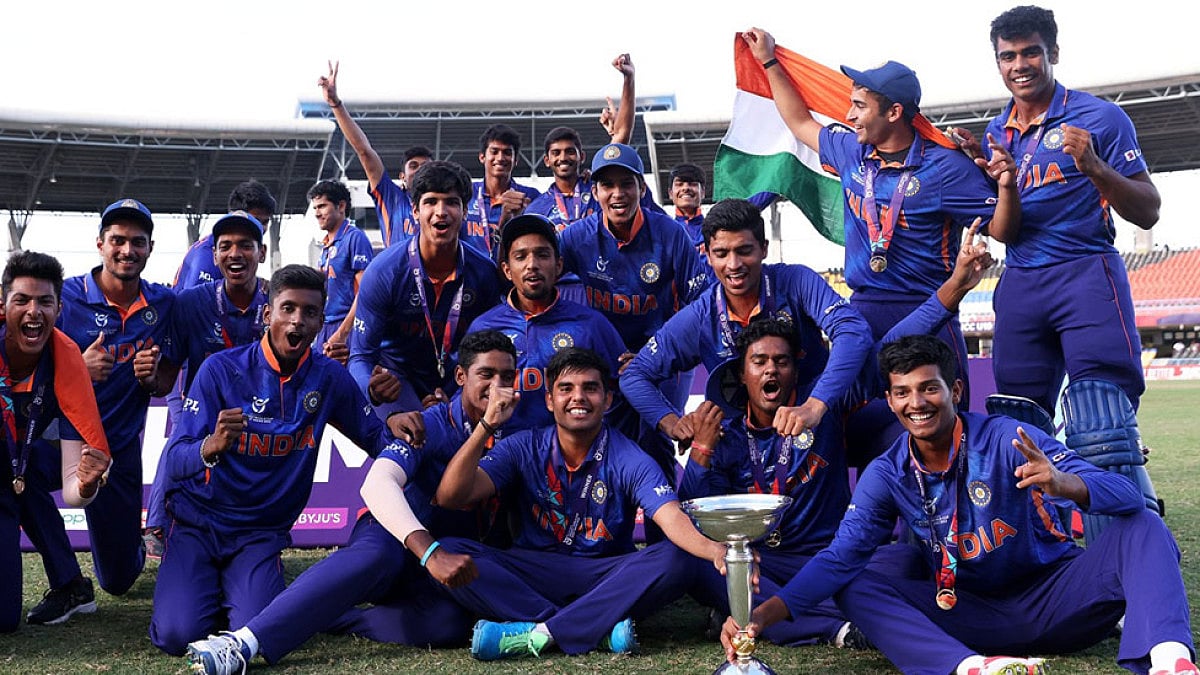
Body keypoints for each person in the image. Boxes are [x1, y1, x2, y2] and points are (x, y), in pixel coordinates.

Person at [723, 334, 1197, 675]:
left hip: (1055, 599)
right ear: (889, 401)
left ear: (955, 390)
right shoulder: (886, 473)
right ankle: (967, 668)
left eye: (929, 387)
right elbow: (839, 558)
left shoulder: (1011, 439)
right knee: (855, 583)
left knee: (1145, 528)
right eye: (903, 392)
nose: (917, 403)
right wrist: (763, 615)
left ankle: (1169, 660)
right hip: (967, 614)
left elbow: (1129, 496)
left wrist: (1065, 483)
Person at [682, 225, 993, 649]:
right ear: (742, 372)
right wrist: (700, 451)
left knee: (904, 559)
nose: (771, 370)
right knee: (706, 566)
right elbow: (700, 512)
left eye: (782, 361)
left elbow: (892, 343)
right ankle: (836, 625)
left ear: (798, 368)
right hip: (761, 561)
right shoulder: (723, 430)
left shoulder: (823, 406)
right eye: (759, 362)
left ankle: (756, 613)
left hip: (824, 557)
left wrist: (955, 286)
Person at [182, 330, 519, 674]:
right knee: (376, 553)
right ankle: (242, 644)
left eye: (507, 376)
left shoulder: (521, 431)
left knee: (447, 626)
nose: (497, 386)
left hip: (447, 560)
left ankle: (331, 616)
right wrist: (430, 552)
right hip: (397, 541)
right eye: (486, 375)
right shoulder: (429, 423)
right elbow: (377, 484)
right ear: (461, 377)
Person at [950, 6, 1162, 539]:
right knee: (1017, 425)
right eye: (1008, 56)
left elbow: (1148, 210)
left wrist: (1094, 167)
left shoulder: (1099, 118)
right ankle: (1043, 557)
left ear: (1053, 53)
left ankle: (1128, 564)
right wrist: (1002, 182)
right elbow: (1005, 232)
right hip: (1021, 281)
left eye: (1029, 53)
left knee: (1101, 423)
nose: (1019, 65)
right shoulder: (999, 130)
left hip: (1085, 273)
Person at [740, 28, 1017, 408]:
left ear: (894, 112)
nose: (849, 115)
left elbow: (1003, 229)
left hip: (929, 309)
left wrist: (1006, 187)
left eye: (859, 106)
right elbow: (800, 123)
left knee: (941, 429)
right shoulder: (851, 151)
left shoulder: (948, 167)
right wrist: (770, 61)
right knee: (856, 428)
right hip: (864, 313)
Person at [148, 265, 408, 656]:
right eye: (288, 308)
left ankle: (237, 588)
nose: (297, 321)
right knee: (175, 635)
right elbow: (178, 457)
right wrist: (211, 446)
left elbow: (376, 439)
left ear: (322, 321)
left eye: (309, 312)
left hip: (259, 534)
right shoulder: (220, 370)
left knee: (258, 629)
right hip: (197, 524)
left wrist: (403, 427)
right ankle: (207, 587)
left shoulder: (329, 379)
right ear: (268, 315)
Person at [434, 347, 728, 660]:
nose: (578, 397)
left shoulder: (629, 457)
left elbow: (671, 518)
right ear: (549, 400)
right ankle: (596, 629)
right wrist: (487, 426)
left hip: (605, 576)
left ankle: (541, 632)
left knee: (678, 558)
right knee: (448, 552)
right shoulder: (523, 446)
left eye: (590, 388)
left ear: (608, 400)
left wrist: (715, 551)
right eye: (566, 389)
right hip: (534, 571)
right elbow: (451, 496)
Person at [20, 199, 178, 626]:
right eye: (118, 241)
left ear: (149, 248)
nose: (127, 250)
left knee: (120, 580)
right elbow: (22, 367)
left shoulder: (164, 305)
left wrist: (151, 380)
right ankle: (70, 583)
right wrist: (75, 371)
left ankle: (136, 547)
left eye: (137, 242)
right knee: (18, 474)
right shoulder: (64, 297)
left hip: (118, 450)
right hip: (62, 437)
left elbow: (165, 381)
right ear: (100, 244)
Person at [621, 198, 872, 454]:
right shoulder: (700, 315)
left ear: (763, 249)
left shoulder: (796, 282)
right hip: (745, 449)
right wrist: (672, 423)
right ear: (707, 256)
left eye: (744, 250)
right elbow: (634, 375)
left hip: (812, 427)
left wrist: (816, 405)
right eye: (721, 253)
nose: (733, 265)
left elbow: (853, 331)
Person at [558, 142, 711, 480]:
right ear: (594, 192)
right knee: (606, 446)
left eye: (626, 184)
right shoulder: (575, 238)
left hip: (662, 360)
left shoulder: (670, 234)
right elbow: (535, 280)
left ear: (641, 189)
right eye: (607, 185)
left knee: (657, 443)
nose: (618, 194)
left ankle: (665, 532)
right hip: (607, 360)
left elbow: (703, 302)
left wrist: (654, 355)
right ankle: (616, 530)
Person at [141, 211, 273, 550]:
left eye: (246, 245)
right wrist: (148, 375)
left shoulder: (277, 302)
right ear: (214, 255)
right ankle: (157, 526)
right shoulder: (191, 303)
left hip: (262, 415)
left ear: (262, 252)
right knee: (180, 441)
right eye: (225, 246)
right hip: (206, 416)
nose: (235, 254)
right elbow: (166, 378)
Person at [1, 251, 110, 632]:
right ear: (3, 305)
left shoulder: (66, 361)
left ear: (59, 308)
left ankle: (71, 587)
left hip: (15, 467)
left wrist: (88, 481)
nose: (34, 311)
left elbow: (72, 490)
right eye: (22, 300)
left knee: (3, 618)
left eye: (45, 302)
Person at [348, 160, 501, 417]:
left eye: (451, 202)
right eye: (430, 202)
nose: (441, 212)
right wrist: (372, 390)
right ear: (415, 211)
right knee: (409, 438)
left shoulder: (484, 272)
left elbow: (491, 350)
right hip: (397, 382)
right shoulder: (383, 271)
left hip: (458, 380)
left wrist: (459, 394)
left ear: (465, 211)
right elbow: (360, 358)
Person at [466, 213, 624, 430]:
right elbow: (466, 397)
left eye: (542, 255)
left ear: (558, 266)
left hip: (569, 454)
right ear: (507, 270)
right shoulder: (483, 328)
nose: (532, 265)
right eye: (520, 256)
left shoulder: (590, 325)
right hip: (502, 456)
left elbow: (621, 390)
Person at [526, 54, 662, 230]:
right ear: (546, 161)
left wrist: (628, 79)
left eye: (570, 151)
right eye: (556, 153)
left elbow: (621, 137)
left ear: (581, 156)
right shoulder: (537, 208)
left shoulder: (601, 187)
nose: (563, 157)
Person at [317, 61, 432, 247]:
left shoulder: (443, 207)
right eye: (413, 166)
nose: (420, 170)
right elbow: (364, 151)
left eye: (426, 166)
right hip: (398, 275)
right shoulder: (391, 197)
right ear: (402, 177)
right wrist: (335, 103)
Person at [309, 179, 373, 363]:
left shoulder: (355, 238)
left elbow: (365, 292)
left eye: (322, 206)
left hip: (347, 325)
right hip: (326, 326)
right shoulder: (326, 244)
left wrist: (343, 333)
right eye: (315, 208)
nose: (317, 213)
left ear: (341, 206)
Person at [174, 181, 277, 290]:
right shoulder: (206, 256)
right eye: (255, 220)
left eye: (265, 222)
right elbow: (194, 304)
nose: (261, 228)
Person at [463, 124, 542, 259]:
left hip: (512, 275)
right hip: (472, 275)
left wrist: (582, 182)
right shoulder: (465, 193)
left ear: (515, 160)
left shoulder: (531, 196)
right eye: (494, 151)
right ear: (482, 157)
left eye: (507, 152)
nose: (500, 158)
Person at [666, 162, 775, 252]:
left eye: (692, 184)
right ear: (670, 193)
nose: (686, 188)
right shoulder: (664, 229)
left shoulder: (717, 224)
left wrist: (778, 181)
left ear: (703, 192)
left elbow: (750, 205)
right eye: (679, 184)